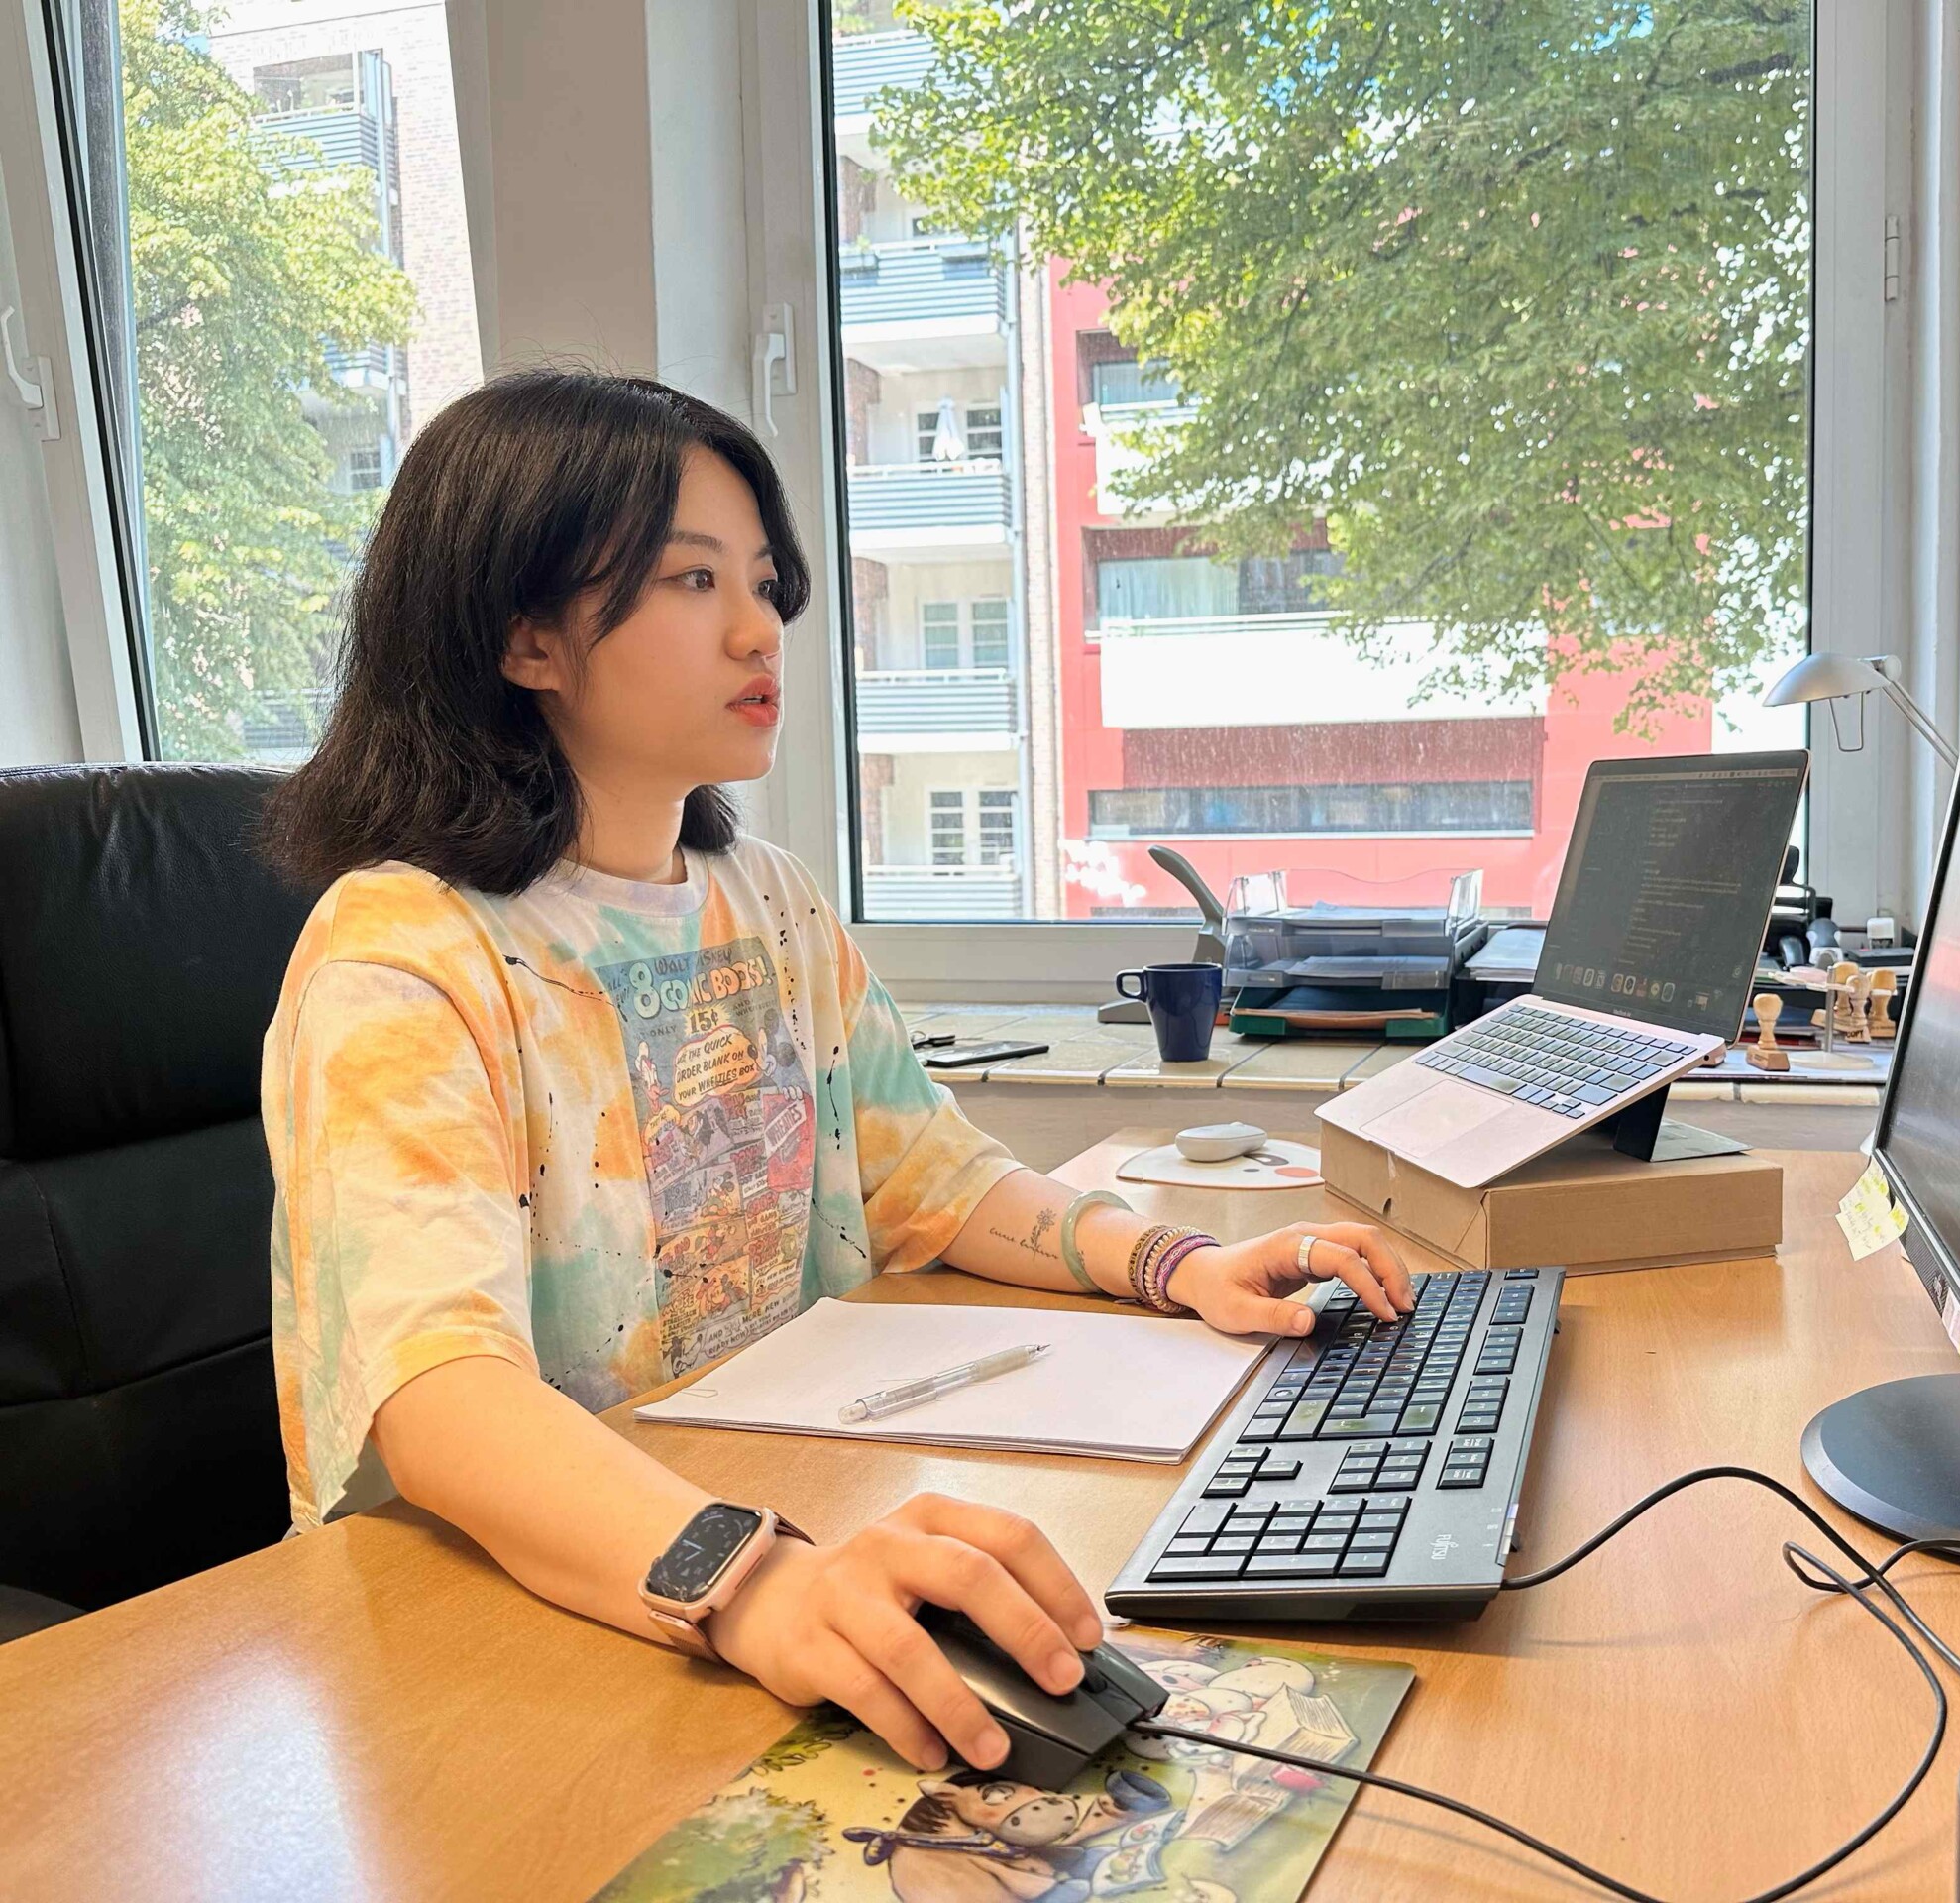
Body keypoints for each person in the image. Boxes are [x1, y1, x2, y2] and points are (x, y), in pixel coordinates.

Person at [257, 369, 1412, 1779]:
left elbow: (936, 1175)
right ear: (525, 638)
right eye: (692, 581)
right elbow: (440, 1397)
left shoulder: (772, 902)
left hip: (769, 1525)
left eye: (764, 580)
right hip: (514, 1622)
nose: (761, 629)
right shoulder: (404, 957)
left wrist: (1176, 1263)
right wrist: (753, 1581)